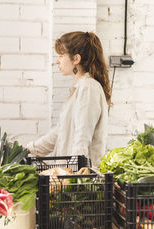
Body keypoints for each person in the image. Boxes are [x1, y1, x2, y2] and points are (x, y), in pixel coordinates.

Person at [26, 31, 112, 167]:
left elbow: (82, 137)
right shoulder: (80, 87)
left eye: (61, 55)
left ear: (76, 59)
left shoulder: (88, 88)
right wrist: (31, 149)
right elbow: (60, 130)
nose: (57, 61)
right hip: (69, 173)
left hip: (79, 178)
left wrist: (75, 176)